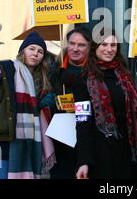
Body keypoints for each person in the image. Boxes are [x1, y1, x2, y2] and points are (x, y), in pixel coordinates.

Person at [0, 21, 56, 179]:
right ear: (22, 51)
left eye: (40, 51)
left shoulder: (42, 83)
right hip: (2, 141)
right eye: (31, 49)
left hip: (29, 144)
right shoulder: (7, 70)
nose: (35, 53)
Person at [74, 28, 137, 179]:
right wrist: (83, 161)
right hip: (103, 153)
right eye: (104, 45)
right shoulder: (83, 80)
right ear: (94, 47)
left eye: (113, 45)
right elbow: (83, 124)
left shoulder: (126, 75)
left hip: (131, 152)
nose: (109, 49)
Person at [48, 27, 92, 179]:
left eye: (81, 45)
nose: (75, 49)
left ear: (89, 47)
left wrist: (76, 83)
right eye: (72, 43)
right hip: (60, 138)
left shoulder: (95, 70)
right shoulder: (55, 68)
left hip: (88, 138)